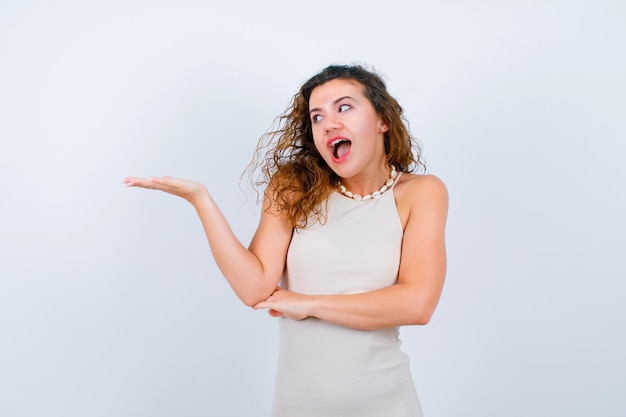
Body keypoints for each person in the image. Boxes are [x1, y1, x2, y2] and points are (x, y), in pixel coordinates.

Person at [124, 64, 448, 417]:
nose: (330, 124)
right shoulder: (294, 187)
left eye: (344, 107)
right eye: (317, 117)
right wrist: (200, 199)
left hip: (387, 405)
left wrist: (308, 304)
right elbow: (254, 289)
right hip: (298, 406)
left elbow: (417, 304)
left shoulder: (421, 193)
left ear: (382, 119)